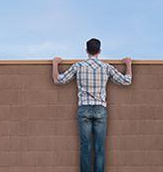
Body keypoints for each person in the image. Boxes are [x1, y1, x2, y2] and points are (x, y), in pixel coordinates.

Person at [52, 38, 133, 172]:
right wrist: (128, 64)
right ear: (99, 51)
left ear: (86, 51)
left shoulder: (78, 66)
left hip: (84, 109)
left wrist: (55, 63)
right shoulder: (106, 67)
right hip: (100, 110)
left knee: (86, 148)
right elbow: (126, 81)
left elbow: (58, 80)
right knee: (99, 148)